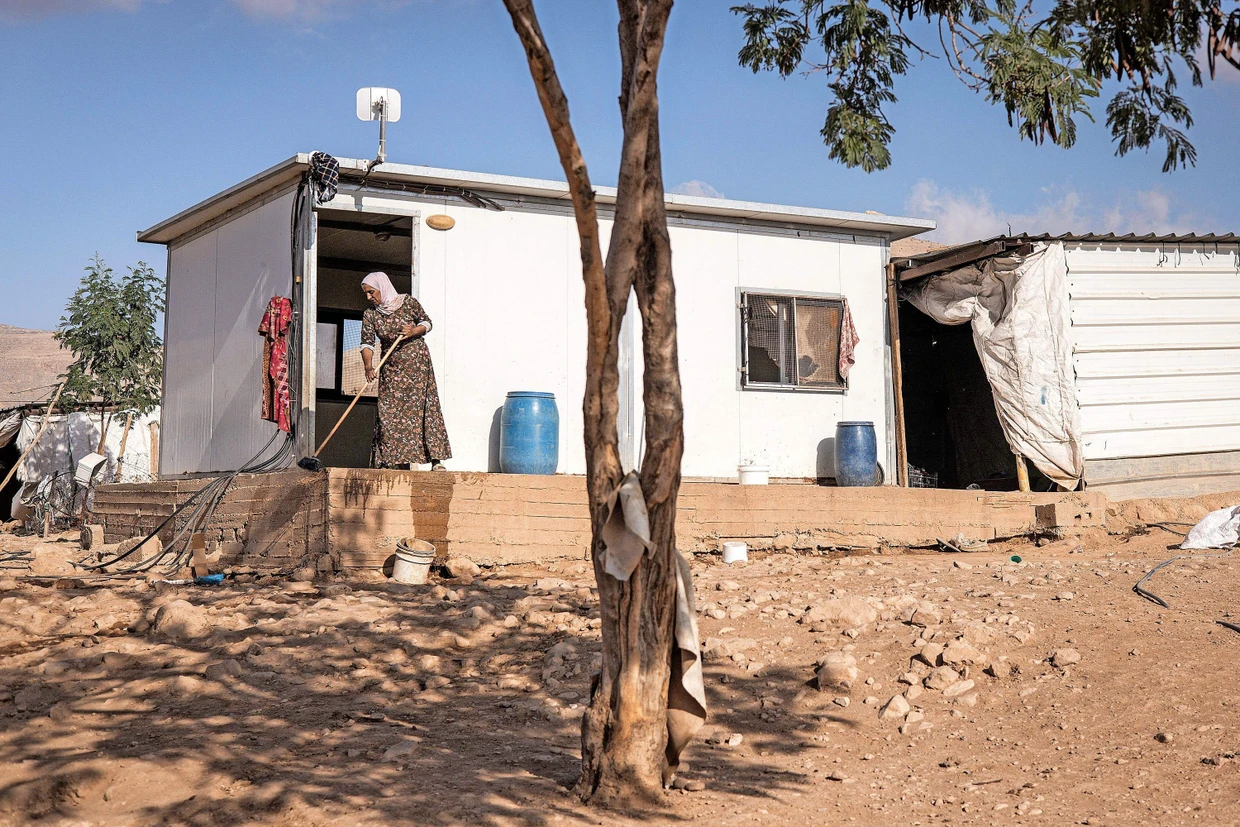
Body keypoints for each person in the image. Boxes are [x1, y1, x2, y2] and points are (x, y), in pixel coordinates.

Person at [359, 271, 452, 470]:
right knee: (389, 412)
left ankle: (436, 461)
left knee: (423, 410)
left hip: (417, 366)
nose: (369, 297)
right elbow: (366, 343)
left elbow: (427, 323)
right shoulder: (370, 314)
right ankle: (392, 463)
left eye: (371, 292)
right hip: (391, 368)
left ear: (382, 288)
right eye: (366, 293)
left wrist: (413, 331)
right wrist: (368, 366)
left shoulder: (408, 303)